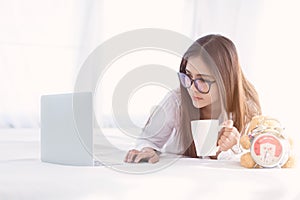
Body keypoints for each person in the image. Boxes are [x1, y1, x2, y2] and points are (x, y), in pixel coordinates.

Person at [124, 34, 261, 163]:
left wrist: (232, 149)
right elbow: (149, 139)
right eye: (188, 76)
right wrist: (147, 150)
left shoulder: (247, 109)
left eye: (202, 80)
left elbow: (251, 160)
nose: (192, 88)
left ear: (225, 81)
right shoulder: (177, 101)